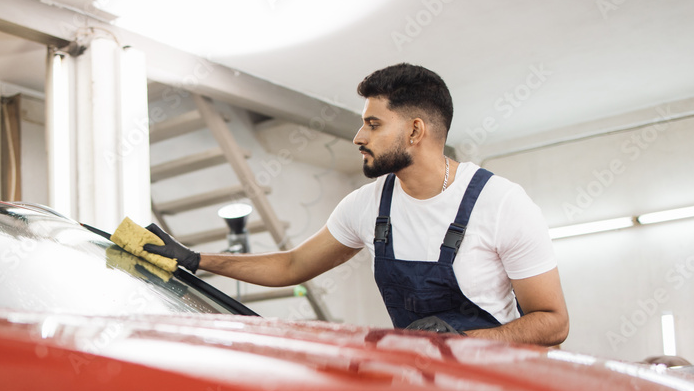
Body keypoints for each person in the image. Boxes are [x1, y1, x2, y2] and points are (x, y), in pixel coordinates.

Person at [145, 63, 569, 347]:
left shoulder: (500, 204)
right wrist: (194, 259)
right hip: (428, 389)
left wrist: (459, 346)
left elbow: (553, 322)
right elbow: (291, 267)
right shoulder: (366, 207)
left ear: (416, 130)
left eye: (373, 123)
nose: (358, 137)